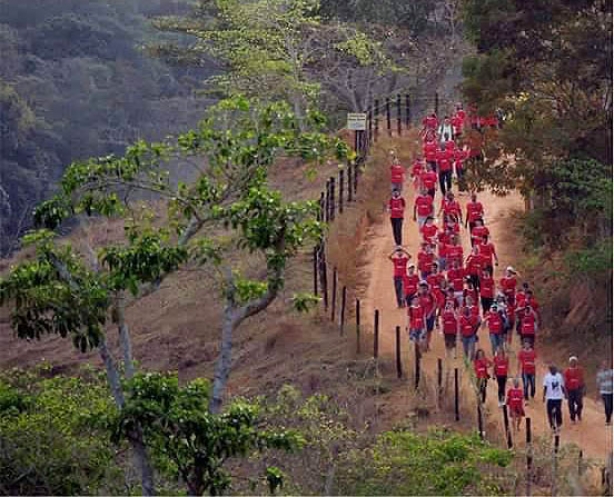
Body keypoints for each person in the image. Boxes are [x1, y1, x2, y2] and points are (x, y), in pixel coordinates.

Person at [543, 365, 566, 433]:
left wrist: (565, 394)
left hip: (558, 397)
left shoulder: (559, 376)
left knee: (558, 411)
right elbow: (545, 387)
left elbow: (562, 386)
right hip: (550, 397)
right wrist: (543, 396)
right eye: (553, 370)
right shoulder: (547, 377)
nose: (554, 371)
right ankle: (552, 426)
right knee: (550, 412)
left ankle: (559, 424)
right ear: (550, 370)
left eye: (555, 369)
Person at [563, 356, 585, 423]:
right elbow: (565, 381)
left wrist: (583, 388)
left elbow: (582, 379)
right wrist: (565, 392)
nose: (573, 363)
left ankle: (578, 413)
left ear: (576, 362)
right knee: (571, 404)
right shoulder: (567, 371)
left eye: (574, 361)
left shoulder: (580, 370)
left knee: (580, 404)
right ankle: (572, 418)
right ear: (569, 363)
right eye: (572, 361)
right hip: (570, 390)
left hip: (578, 389)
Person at [418, 281, 437, 350]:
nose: (423, 289)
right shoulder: (418, 295)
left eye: (424, 288)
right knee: (422, 331)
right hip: (421, 316)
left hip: (430, 316)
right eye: (422, 288)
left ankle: (427, 344)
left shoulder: (431, 295)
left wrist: (430, 313)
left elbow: (435, 304)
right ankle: (422, 344)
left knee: (429, 331)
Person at [596, 361, 613, 425]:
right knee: (607, 405)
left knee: (611, 405)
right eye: (604, 365)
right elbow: (598, 383)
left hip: (611, 391)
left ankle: (610, 415)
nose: (605, 366)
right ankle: (608, 419)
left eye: (606, 365)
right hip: (604, 392)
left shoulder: (611, 372)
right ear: (602, 366)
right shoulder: (599, 374)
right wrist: (597, 394)